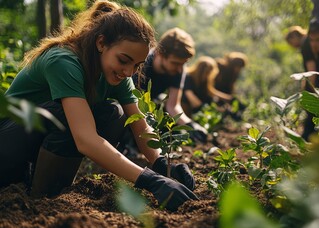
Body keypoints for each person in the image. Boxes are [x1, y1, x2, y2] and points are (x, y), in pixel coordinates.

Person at [0, 0, 198, 212]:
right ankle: (39, 198)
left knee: (113, 113)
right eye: (124, 60)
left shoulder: (117, 74)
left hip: (33, 141)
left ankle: (46, 192)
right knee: (69, 117)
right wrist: (149, 180)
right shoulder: (63, 61)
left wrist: (161, 164)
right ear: (101, 43)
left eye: (137, 65)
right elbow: (85, 139)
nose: (129, 72)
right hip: (8, 144)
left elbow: (140, 125)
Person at [133, 27, 208, 143]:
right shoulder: (142, 64)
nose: (180, 69)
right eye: (175, 63)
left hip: (150, 107)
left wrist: (191, 125)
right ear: (160, 53)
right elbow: (131, 104)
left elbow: (173, 105)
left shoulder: (178, 69)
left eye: (183, 64)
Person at [213, 52, 248, 120]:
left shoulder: (234, 73)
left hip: (225, 93)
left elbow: (231, 87)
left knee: (241, 107)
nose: (239, 69)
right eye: (238, 66)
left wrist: (231, 98)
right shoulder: (221, 67)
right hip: (215, 93)